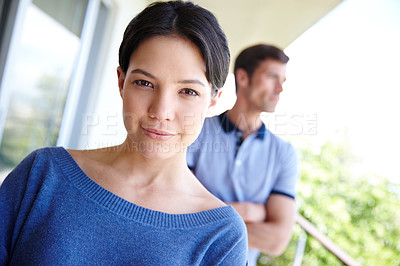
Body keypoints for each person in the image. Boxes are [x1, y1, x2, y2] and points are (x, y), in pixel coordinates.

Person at [0, 1, 248, 264]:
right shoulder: (42, 176)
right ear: (121, 82)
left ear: (213, 100)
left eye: (188, 91)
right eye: (144, 83)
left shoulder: (221, 237)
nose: (161, 111)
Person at [187, 44, 300, 266]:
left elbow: (276, 240)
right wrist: (250, 210)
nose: (280, 89)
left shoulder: (284, 154)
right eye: (271, 77)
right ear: (243, 77)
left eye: (282, 81)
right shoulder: (196, 131)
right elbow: (174, 207)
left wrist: (203, 221)